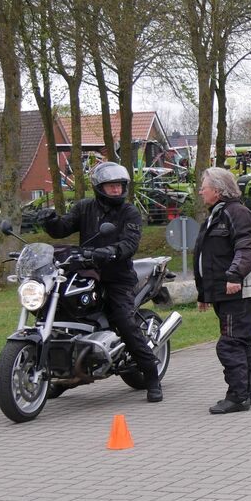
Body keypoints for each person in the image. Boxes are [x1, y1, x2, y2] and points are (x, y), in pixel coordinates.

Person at [39, 162, 162, 402]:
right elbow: (63, 228)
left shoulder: (129, 213)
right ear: (99, 187)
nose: (116, 191)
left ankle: (152, 376)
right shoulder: (85, 208)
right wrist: (50, 220)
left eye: (119, 186)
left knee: (124, 321)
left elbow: (130, 243)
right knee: (64, 316)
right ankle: (64, 374)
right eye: (111, 186)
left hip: (118, 278)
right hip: (86, 273)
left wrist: (110, 251)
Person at [195, 167, 251, 414]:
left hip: (240, 291)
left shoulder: (237, 213)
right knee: (240, 342)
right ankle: (248, 390)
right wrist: (203, 294)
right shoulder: (218, 214)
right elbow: (208, 258)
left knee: (229, 345)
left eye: (203, 186)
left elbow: (246, 249)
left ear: (217, 190)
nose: (201, 191)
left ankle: (237, 396)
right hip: (225, 292)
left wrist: (235, 275)